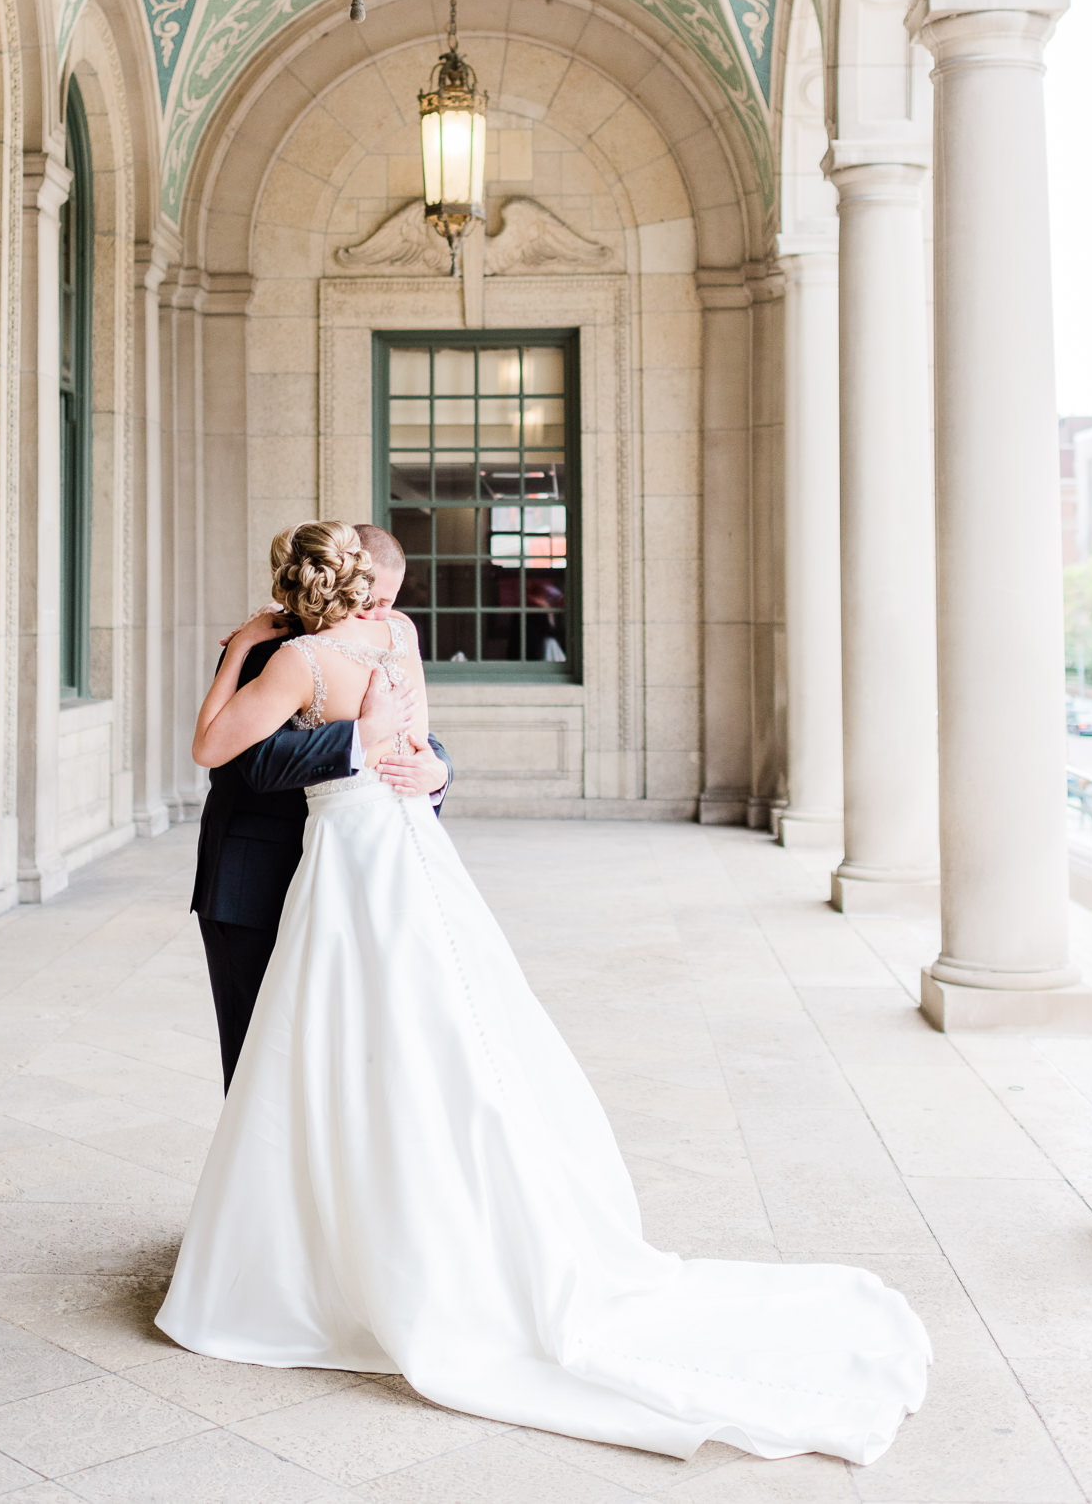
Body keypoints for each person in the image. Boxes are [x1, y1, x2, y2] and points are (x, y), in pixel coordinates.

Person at [159, 521, 931, 1465]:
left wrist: (409, 756)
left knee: (358, 1049)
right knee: (318, 1056)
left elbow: (228, 746)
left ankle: (339, 1253)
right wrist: (363, 746)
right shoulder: (387, 643)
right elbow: (276, 763)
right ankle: (291, 1240)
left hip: (354, 855)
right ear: (369, 588)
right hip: (354, 860)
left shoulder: (301, 656)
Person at [190, 524, 451, 1090]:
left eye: (390, 603)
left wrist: (437, 769)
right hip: (253, 881)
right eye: (372, 598)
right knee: (258, 1059)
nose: (379, 613)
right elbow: (245, 765)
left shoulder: (394, 634)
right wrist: (360, 735)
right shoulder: (268, 646)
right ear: (343, 578)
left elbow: (417, 734)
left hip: (350, 871)